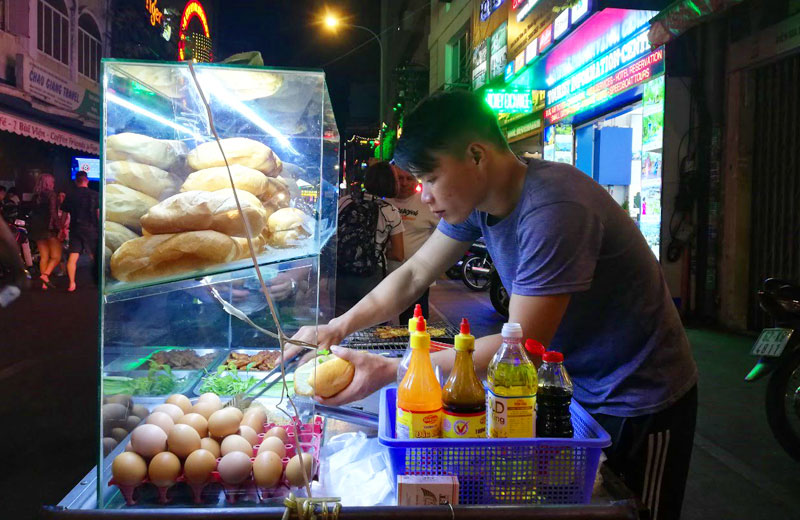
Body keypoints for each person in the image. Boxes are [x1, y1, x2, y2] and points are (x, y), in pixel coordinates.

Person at [291, 91, 697, 520]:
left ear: (476, 156)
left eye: (431, 177)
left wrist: (397, 370)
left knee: (633, 511)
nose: (424, 195)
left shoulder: (554, 208)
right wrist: (336, 327)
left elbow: (521, 349)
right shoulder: (477, 203)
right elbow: (413, 274)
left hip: (638, 394)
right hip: (570, 386)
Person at [335, 161, 404, 317]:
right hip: (371, 276)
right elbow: (399, 254)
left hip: (341, 273)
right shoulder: (390, 211)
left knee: (341, 321)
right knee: (371, 321)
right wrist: (376, 251)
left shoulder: (345, 201)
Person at [386, 163, 439, 322]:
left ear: (417, 180)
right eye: (399, 178)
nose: (404, 183)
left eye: (409, 179)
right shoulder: (384, 202)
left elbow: (441, 236)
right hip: (385, 274)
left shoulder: (428, 203)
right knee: (379, 324)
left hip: (417, 276)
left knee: (414, 323)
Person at [62, 171, 99, 292]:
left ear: (76, 181)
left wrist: (62, 228)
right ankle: (98, 281)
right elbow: (98, 213)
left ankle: (72, 283)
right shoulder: (95, 194)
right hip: (91, 228)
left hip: (75, 228)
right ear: (87, 180)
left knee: (73, 256)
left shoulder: (70, 195)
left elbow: (64, 214)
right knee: (94, 256)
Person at [28, 174, 63, 289]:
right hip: (48, 229)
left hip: (36, 228)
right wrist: (59, 227)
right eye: (52, 182)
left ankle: (44, 284)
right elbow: (53, 212)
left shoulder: (35, 196)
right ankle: (45, 275)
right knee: (57, 256)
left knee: (44, 257)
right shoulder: (52, 194)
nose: (54, 184)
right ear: (49, 183)